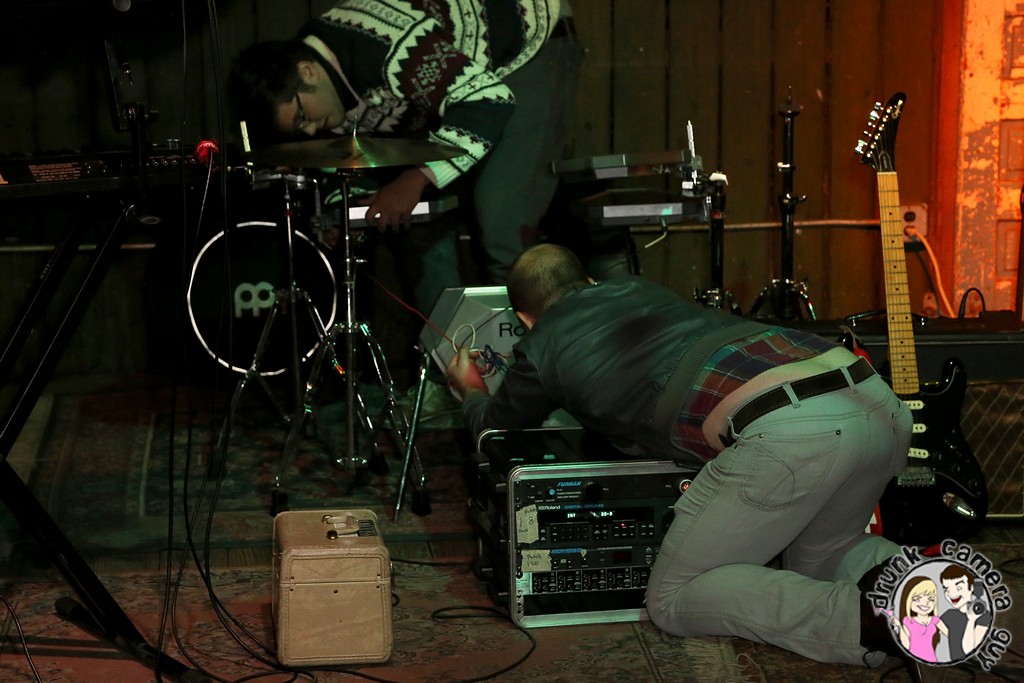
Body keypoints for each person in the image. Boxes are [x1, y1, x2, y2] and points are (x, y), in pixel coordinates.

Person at [445, 244, 942, 681]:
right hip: (873, 396)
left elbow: (496, 429)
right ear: (590, 282)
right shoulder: (637, 287)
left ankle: (864, 621)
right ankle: (935, 597)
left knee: (673, 597)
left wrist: (469, 389)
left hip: (791, 425)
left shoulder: (539, 345)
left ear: (525, 318)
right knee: (827, 555)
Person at [229, 0, 581, 312]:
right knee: (413, 223)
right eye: (297, 130)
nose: (308, 132)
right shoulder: (314, 83)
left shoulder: (380, 46)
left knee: (502, 220)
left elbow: (489, 101)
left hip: (527, 42)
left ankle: (539, 358)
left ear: (308, 71)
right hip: (458, 84)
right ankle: (453, 355)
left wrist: (416, 178)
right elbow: (352, 157)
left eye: (302, 117)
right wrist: (346, 210)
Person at [939, 565, 992, 660]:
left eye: (958, 588)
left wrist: (971, 620)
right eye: (946, 589)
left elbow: (969, 650)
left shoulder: (984, 616)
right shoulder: (949, 615)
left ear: (971, 588)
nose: (951, 593)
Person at [891, 576, 948, 663]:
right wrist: (898, 626)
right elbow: (906, 645)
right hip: (914, 659)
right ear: (908, 600)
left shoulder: (935, 620)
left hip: (931, 659)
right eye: (917, 599)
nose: (925, 603)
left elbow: (950, 635)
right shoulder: (908, 621)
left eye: (931, 599)